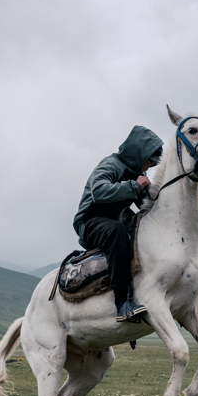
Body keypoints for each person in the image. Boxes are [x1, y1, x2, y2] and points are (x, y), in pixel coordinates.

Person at [72, 125, 163, 322]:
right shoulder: (111, 164)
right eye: (149, 161)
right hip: (90, 220)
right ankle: (122, 303)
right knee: (117, 231)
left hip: (115, 220)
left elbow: (145, 206)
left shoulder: (139, 174)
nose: (150, 166)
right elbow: (99, 191)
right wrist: (134, 186)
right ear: (139, 154)